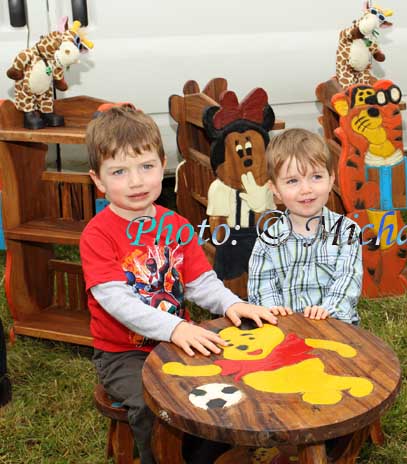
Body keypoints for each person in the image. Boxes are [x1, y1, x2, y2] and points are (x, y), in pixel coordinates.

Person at [79, 107, 277, 464]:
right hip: (123, 353)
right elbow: (119, 303)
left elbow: (201, 282)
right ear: (98, 180)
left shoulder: (175, 224)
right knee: (151, 402)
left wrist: (231, 304)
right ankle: (160, 457)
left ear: (163, 164)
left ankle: (211, 450)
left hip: (177, 338)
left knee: (227, 379)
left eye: (146, 167)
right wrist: (175, 327)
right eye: (119, 172)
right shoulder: (97, 234)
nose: (136, 181)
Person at [247, 128, 363, 325]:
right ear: (275, 189)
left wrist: (327, 310)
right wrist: (275, 312)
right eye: (292, 181)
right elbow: (262, 288)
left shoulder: (346, 232)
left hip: (337, 327)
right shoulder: (267, 241)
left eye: (316, 177)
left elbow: (348, 279)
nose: (306, 189)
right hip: (287, 330)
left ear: (331, 180)